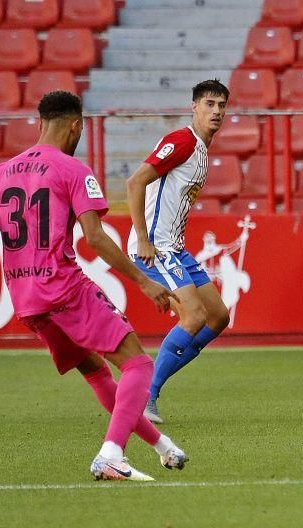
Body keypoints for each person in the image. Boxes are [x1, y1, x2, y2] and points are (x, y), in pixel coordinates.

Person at [0, 90, 186, 481]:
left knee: (96, 370)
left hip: (26, 299)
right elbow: (95, 238)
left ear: (40, 122)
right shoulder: (72, 169)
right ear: (76, 125)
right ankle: (111, 452)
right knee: (138, 364)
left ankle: (162, 446)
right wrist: (145, 283)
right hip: (62, 286)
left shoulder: (3, 171)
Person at [126, 80, 231, 424]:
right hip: (157, 247)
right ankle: (146, 395)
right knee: (194, 317)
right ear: (194, 107)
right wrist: (143, 239)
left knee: (217, 317)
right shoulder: (183, 141)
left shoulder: (200, 149)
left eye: (221, 105)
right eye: (209, 104)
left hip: (176, 248)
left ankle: (149, 389)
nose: (216, 111)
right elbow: (135, 181)